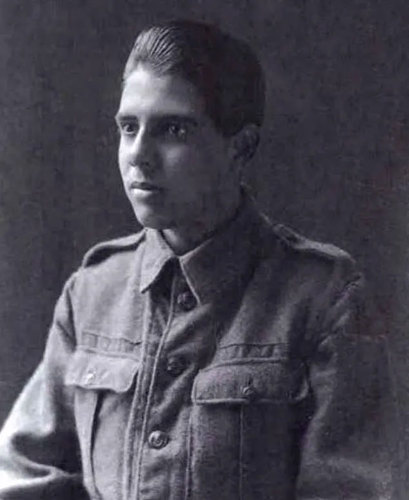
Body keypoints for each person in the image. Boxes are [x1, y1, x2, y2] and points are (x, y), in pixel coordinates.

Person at [0, 19, 398, 500]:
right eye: (129, 128)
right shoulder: (92, 293)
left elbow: (349, 490)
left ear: (240, 146)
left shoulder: (322, 298)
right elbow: (21, 473)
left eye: (173, 129)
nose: (139, 155)